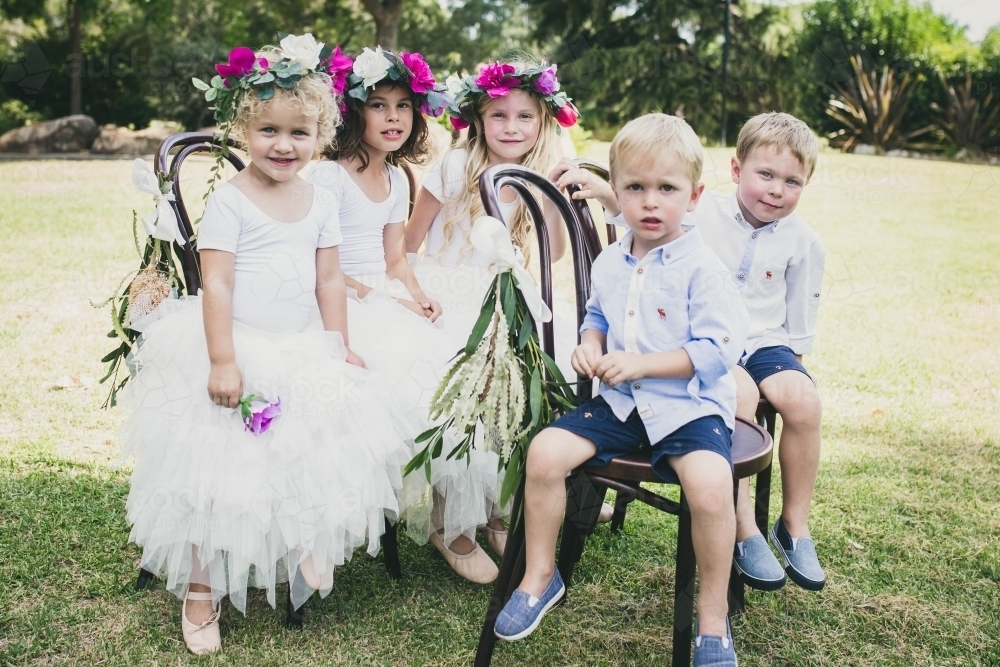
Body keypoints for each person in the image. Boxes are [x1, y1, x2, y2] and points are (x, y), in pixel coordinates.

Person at [119, 35, 414, 654]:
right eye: (269, 131)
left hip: (302, 341)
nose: (284, 146)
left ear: (321, 136)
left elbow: (328, 277)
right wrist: (224, 359)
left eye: (300, 134)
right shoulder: (232, 200)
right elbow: (217, 283)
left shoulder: (319, 197)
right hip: (237, 343)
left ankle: (305, 540)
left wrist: (338, 343)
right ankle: (201, 586)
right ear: (242, 129)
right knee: (213, 461)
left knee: (321, 433)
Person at [494, 113, 748, 667]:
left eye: (666, 189)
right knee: (545, 453)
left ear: (695, 194)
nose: (649, 202)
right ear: (619, 189)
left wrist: (641, 364)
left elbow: (716, 351)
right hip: (622, 404)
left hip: (690, 408)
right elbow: (596, 314)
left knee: (709, 488)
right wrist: (590, 343)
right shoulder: (612, 260)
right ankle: (541, 575)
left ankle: (712, 616)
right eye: (635, 188)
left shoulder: (703, 268)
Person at [560, 112, 828, 593]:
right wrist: (605, 190)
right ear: (735, 169)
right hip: (702, 342)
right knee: (738, 395)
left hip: (766, 342)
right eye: (765, 175)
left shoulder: (804, 241)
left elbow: (798, 324)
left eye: (792, 182)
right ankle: (743, 525)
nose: (775, 190)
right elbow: (647, 211)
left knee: (804, 400)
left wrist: (792, 378)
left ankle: (794, 527)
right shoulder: (701, 211)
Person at [402, 55, 610, 582]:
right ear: (478, 119)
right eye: (499, 116)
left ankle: (496, 506)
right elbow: (409, 241)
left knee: (534, 375)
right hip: (451, 291)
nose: (511, 127)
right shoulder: (455, 166)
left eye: (525, 117)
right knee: (466, 387)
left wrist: (557, 191)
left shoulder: (539, 172)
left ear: (542, 121)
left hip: (507, 292)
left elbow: (556, 254)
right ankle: (451, 523)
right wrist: (413, 293)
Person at [307, 47, 498, 575]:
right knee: (400, 379)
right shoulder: (328, 178)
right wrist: (371, 296)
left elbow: (395, 259)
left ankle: (453, 519)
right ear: (352, 111)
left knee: (458, 364)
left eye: (404, 107)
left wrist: (416, 294)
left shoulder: (395, 179)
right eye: (378, 105)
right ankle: (327, 527)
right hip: (335, 301)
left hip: (381, 296)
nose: (393, 117)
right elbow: (315, 263)